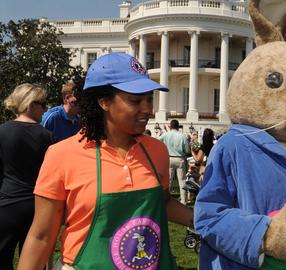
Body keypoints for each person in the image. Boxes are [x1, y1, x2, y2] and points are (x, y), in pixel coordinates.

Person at [18, 53, 193, 269]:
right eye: (136, 100)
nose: (148, 109)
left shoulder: (157, 151)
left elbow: (163, 202)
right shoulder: (61, 155)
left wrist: (205, 221)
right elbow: (42, 236)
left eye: (150, 99)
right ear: (103, 102)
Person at [0, 84, 54, 270]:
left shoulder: (3, 131)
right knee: (35, 261)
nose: (45, 109)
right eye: (43, 104)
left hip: (8, 203)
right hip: (39, 206)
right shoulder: (47, 136)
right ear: (31, 104)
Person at [160, 119, 191, 204]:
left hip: (169, 158)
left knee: (168, 181)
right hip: (180, 158)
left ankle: (166, 200)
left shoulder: (165, 135)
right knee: (182, 181)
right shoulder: (182, 136)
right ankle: (184, 201)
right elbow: (187, 150)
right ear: (178, 126)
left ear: (170, 126)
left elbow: (157, 141)